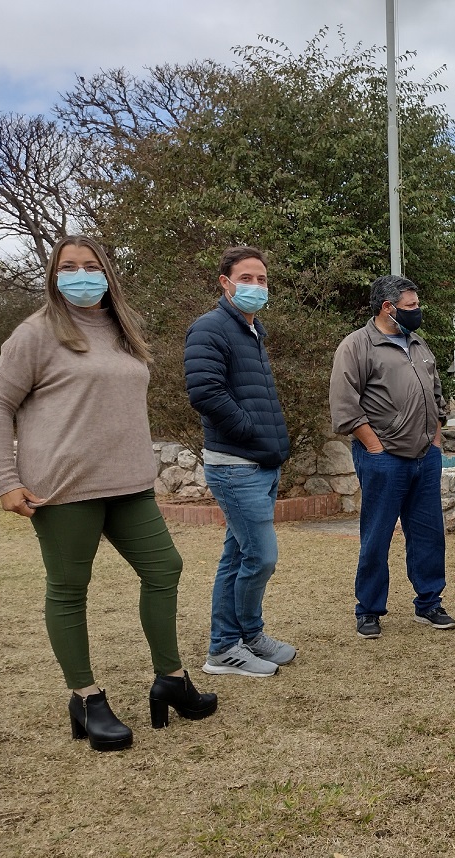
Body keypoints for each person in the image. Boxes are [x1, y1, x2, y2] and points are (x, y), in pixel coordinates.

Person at [0, 235, 216, 752]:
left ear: (107, 273)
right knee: (69, 589)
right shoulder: (35, 333)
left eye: (91, 266)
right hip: (63, 488)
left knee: (164, 569)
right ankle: (86, 698)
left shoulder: (121, 331)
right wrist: (7, 480)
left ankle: (170, 680)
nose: (82, 274)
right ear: (53, 275)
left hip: (128, 482)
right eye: (69, 267)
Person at [185, 246, 294, 677]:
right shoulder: (210, 328)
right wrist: (250, 429)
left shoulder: (252, 331)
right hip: (235, 464)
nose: (256, 286)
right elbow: (205, 393)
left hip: (261, 463)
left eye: (262, 279)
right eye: (246, 278)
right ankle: (226, 647)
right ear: (225, 282)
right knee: (261, 557)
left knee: (237, 557)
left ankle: (242, 638)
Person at [330, 275, 454, 639]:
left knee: (429, 534)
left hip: (425, 457)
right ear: (388, 308)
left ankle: (429, 602)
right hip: (384, 458)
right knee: (377, 535)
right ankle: (368, 610)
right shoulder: (356, 346)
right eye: (411, 306)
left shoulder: (418, 343)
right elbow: (344, 406)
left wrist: (435, 439)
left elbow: (435, 392)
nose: (418, 311)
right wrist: (374, 447)